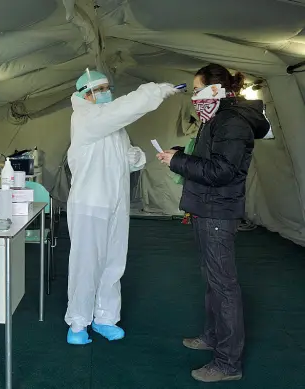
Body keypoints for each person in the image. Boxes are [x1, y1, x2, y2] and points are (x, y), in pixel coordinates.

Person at [157, 63, 269, 382]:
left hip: (218, 211)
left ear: (215, 89)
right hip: (207, 207)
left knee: (224, 286)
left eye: (197, 90)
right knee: (212, 280)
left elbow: (220, 172)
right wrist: (180, 154)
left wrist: (178, 162)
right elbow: (209, 159)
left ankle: (227, 363)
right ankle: (213, 336)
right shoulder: (216, 116)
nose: (195, 97)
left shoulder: (232, 121)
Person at [66, 69, 178, 345]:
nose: (105, 92)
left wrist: (135, 157)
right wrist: (153, 91)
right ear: (85, 95)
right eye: (98, 89)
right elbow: (119, 111)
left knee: (114, 262)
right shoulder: (85, 117)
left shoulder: (113, 127)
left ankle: (105, 317)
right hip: (89, 204)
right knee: (86, 265)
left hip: (115, 203)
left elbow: (124, 158)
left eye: (107, 87)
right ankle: (78, 323)